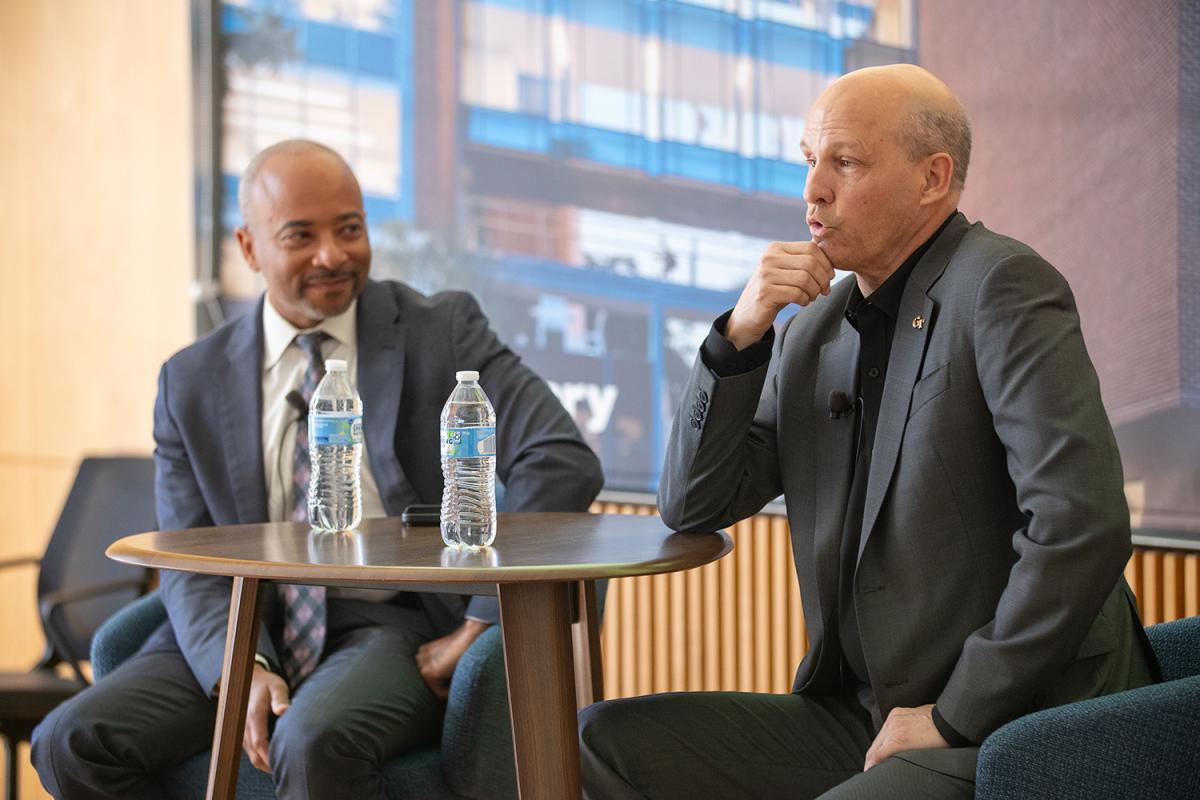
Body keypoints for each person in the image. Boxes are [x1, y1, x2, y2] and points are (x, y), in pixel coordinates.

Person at [578, 64, 1158, 799]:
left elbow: (1083, 525)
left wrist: (954, 716)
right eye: (808, 160)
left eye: (844, 162)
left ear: (932, 178)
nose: (812, 189)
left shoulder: (1002, 285)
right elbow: (693, 503)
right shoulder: (811, 330)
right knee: (603, 743)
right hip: (867, 717)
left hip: (1017, 723)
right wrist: (739, 337)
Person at [32, 139, 604, 799]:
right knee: (70, 743)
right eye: (301, 235)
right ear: (249, 249)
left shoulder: (440, 330)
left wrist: (474, 626)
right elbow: (187, 555)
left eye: (350, 230)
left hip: (387, 626)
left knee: (312, 742)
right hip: (250, 621)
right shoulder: (189, 382)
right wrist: (239, 668)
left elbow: (561, 458)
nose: (332, 254)